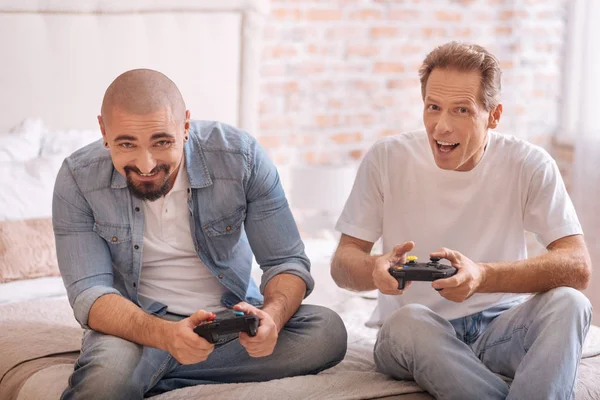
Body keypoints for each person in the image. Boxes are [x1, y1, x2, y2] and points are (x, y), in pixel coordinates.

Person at [53, 69, 347, 400]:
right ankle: (157, 364)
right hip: (137, 328)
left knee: (327, 331)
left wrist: (273, 318)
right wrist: (165, 336)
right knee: (102, 385)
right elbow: (89, 292)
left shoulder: (241, 157)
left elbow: (285, 261)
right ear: (104, 132)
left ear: (186, 126)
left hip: (230, 322)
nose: (146, 163)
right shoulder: (78, 178)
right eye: (126, 144)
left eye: (162, 141)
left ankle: (153, 372)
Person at [331, 41, 592, 400]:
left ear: (494, 116)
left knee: (572, 303)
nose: (441, 127)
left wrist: (483, 276)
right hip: (413, 332)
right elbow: (343, 263)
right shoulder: (386, 159)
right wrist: (374, 267)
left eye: (462, 111)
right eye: (433, 108)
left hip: (500, 330)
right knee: (410, 321)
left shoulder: (528, 164)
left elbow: (577, 266)